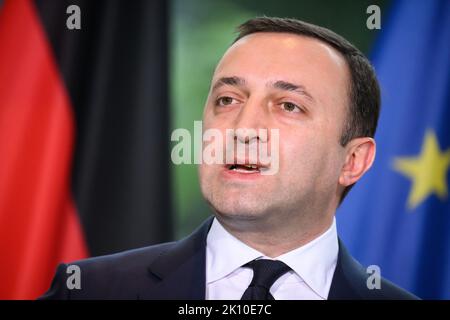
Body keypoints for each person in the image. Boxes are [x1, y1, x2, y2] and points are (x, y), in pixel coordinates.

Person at [40, 17, 418, 300]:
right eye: (227, 100)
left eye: (288, 105)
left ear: (353, 161)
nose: (243, 127)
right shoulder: (90, 291)